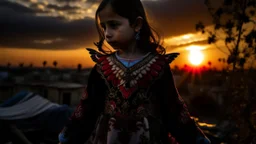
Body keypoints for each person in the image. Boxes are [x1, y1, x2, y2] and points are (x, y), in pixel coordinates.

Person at [58, 0, 211, 143]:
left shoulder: (158, 65)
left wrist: (196, 138)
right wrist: (68, 136)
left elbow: (173, 108)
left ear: (137, 24)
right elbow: (88, 107)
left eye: (113, 25)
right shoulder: (101, 67)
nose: (107, 34)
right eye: (104, 27)